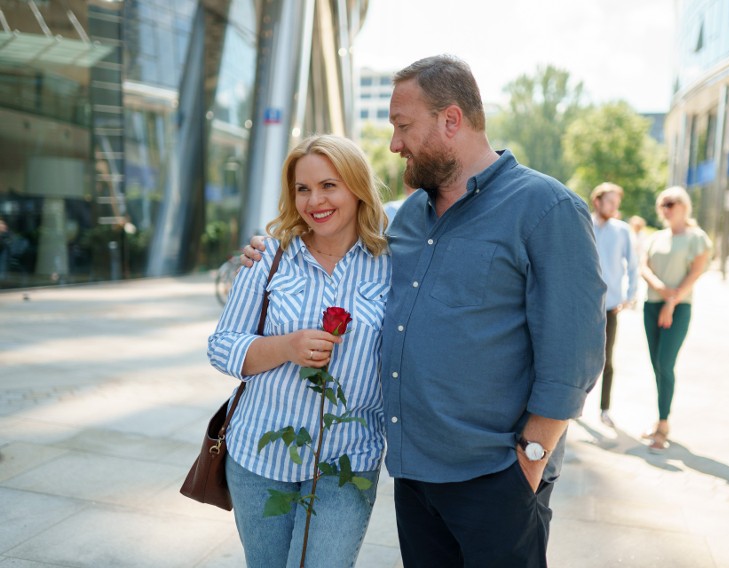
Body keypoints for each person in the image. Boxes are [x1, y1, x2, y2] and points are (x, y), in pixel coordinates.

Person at [243, 54, 606, 567]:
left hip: (497, 478)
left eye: (402, 126)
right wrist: (272, 249)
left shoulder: (547, 209)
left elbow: (574, 355)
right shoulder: (407, 217)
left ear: (450, 121)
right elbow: (335, 241)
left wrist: (529, 461)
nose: (394, 144)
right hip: (414, 479)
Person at [208, 135, 391, 567]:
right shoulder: (269, 256)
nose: (315, 200)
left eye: (330, 185)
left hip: (348, 461)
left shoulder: (392, 263)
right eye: (302, 188)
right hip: (259, 456)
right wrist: (286, 347)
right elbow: (222, 346)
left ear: (357, 187)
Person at [640, 186, 711, 453]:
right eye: (663, 204)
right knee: (656, 365)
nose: (667, 209)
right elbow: (644, 266)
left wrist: (671, 301)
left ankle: (663, 425)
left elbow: (695, 272)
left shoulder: (696, 237)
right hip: (651, 305)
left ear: (684, 206)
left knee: (665, 363)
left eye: (672, 203)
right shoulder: (656, 237)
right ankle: (660, 417)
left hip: (678, 308)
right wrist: (659, 288)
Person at [589, 183, 638, 428]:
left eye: (616, 202)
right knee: (575, 358)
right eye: (609, 201)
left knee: (607, 360)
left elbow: (633, 264)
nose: (614, 207)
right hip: (584, 306)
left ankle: (604, 408)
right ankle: (571, 408)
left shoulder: (622, 231)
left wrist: (630, 294)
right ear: (597, 201)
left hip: (610, 306)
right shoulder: (583, 223)